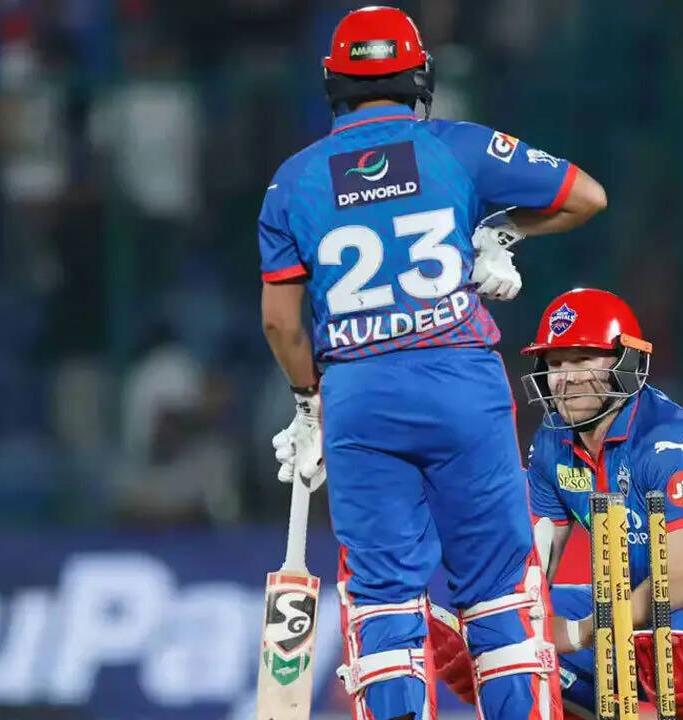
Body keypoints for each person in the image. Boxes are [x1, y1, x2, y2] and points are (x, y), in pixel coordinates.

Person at [259, 7, 608, 720]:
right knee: (500, 593)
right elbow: (586, 196)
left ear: (333, 83)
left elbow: (280, 321)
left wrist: (305, 403)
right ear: (420, 76)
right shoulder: (460, 148)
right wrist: (497, 231)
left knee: (383, 600)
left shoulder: (293, 181)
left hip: (357, 395)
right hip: (461, 386)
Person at [431, 289, 683, 720]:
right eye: (555, 363)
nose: (567, 378)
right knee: (492, 635)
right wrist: (506, 626)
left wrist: (581, 632)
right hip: (639, 613)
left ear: (625, 363)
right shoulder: (553, 444)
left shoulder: (671, 440)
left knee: (682, 654)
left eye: (582, 360)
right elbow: (532, 570)